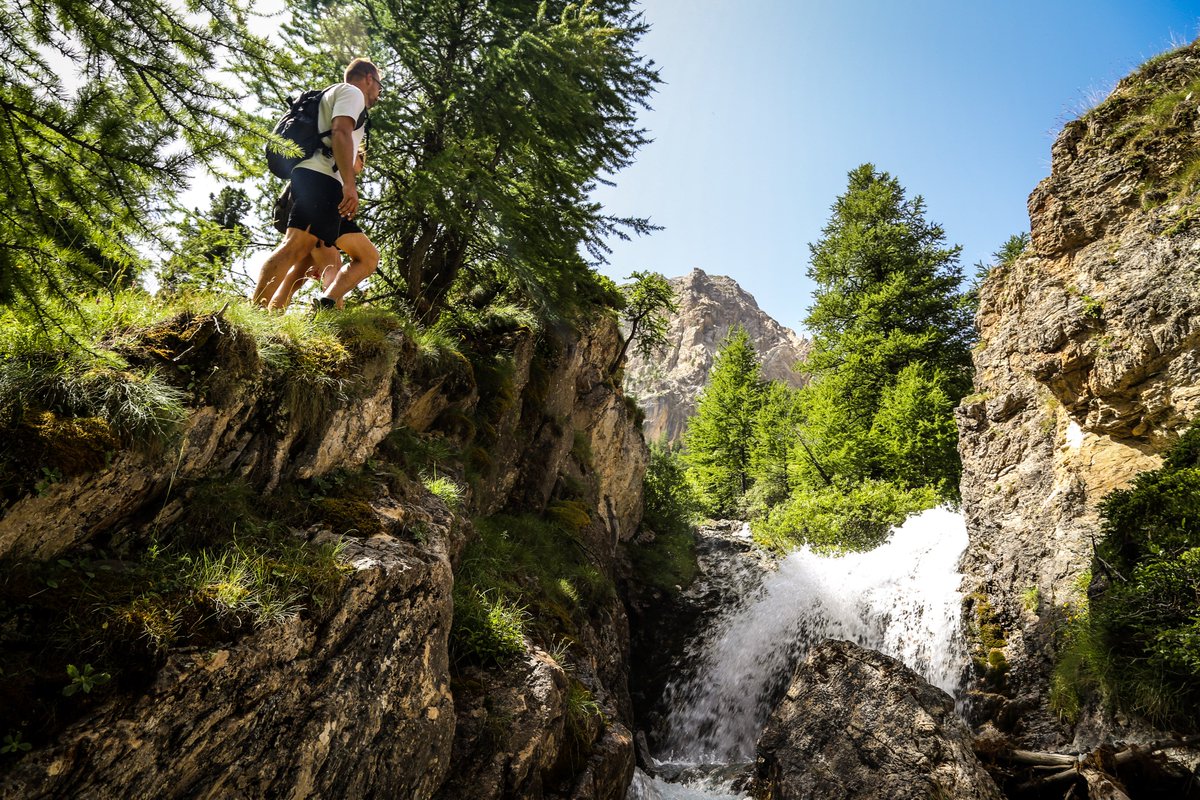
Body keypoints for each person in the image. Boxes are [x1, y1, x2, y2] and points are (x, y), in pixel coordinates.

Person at [253, 58, 383, 311]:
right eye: (380, 86)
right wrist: (349, 184)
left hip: (326, 183)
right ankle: (256, 312)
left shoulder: (336, 95)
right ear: (369, 78)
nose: (379, 93)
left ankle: (327, 303)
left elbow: (344, 140)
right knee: (295, 246)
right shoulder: (352, 92)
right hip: (320, 178)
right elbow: (340, 132)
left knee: (368, 258)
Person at [269, 149, 367, 310]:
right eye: (360, 157)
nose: (362, 163)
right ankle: (334, 315)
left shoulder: (335, 176)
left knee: (297, 276)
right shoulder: (335, 177)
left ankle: (273, 311)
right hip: (319, 221)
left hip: (308, 219)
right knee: (332, 265)